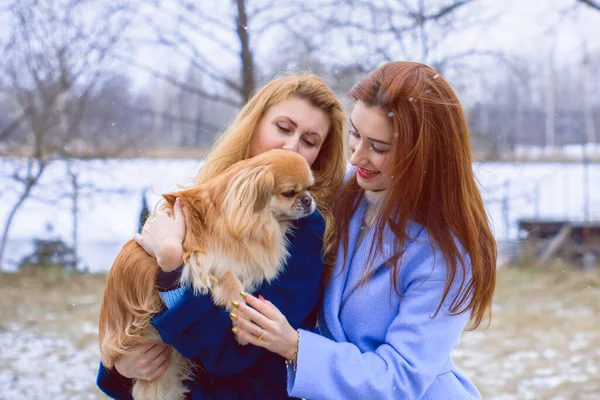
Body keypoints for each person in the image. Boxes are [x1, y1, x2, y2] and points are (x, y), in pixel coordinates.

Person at [231, 61, 497, 399]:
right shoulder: (342, 194)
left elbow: (399, 380)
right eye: (355, 134)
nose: (356, 157)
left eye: (379, 147)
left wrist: (296, 347)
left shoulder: (445, 254)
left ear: (422, 156)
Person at [96, 74, 346, 399]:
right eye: (283, 128)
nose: (291, 146)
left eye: (310, 141)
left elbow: (231, 352)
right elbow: (136, 294)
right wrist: (120, 363)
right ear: (255, 123)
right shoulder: (200, 197)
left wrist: (172, 273)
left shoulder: (305, 235)